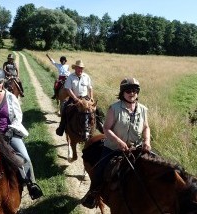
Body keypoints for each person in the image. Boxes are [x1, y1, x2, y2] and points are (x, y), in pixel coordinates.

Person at [81, 77, 151, 209]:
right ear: (123, 92)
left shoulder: (142, 109)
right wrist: (119, 142)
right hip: (113, 148)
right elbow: (106, 128)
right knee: (100, 170)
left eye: (135, 91)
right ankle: (93, 193)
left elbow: (146, 127)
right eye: (129, 90)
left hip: (135, 148)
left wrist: (147, 141)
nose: (132, 93)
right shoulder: (114, 108)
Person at [0, 67, 43, 200]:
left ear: (3, 82)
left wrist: (10, 130)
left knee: (25, 157)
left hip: (9, 134)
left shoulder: (11, 98)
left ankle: (31, 184)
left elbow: (18, 117)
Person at [55, 59, 93, 136]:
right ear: (75, 68)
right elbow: (68, 89)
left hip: (86, 98)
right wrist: (75, 99)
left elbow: (90, 88)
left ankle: (99, 126)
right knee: (65, 109)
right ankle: (61, 128)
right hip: (74, 98)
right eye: (78, 68)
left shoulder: (86, 76)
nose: (80, 69)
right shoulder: (70, 77)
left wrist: (91, 97)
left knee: (96, 111)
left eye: (81, 68)